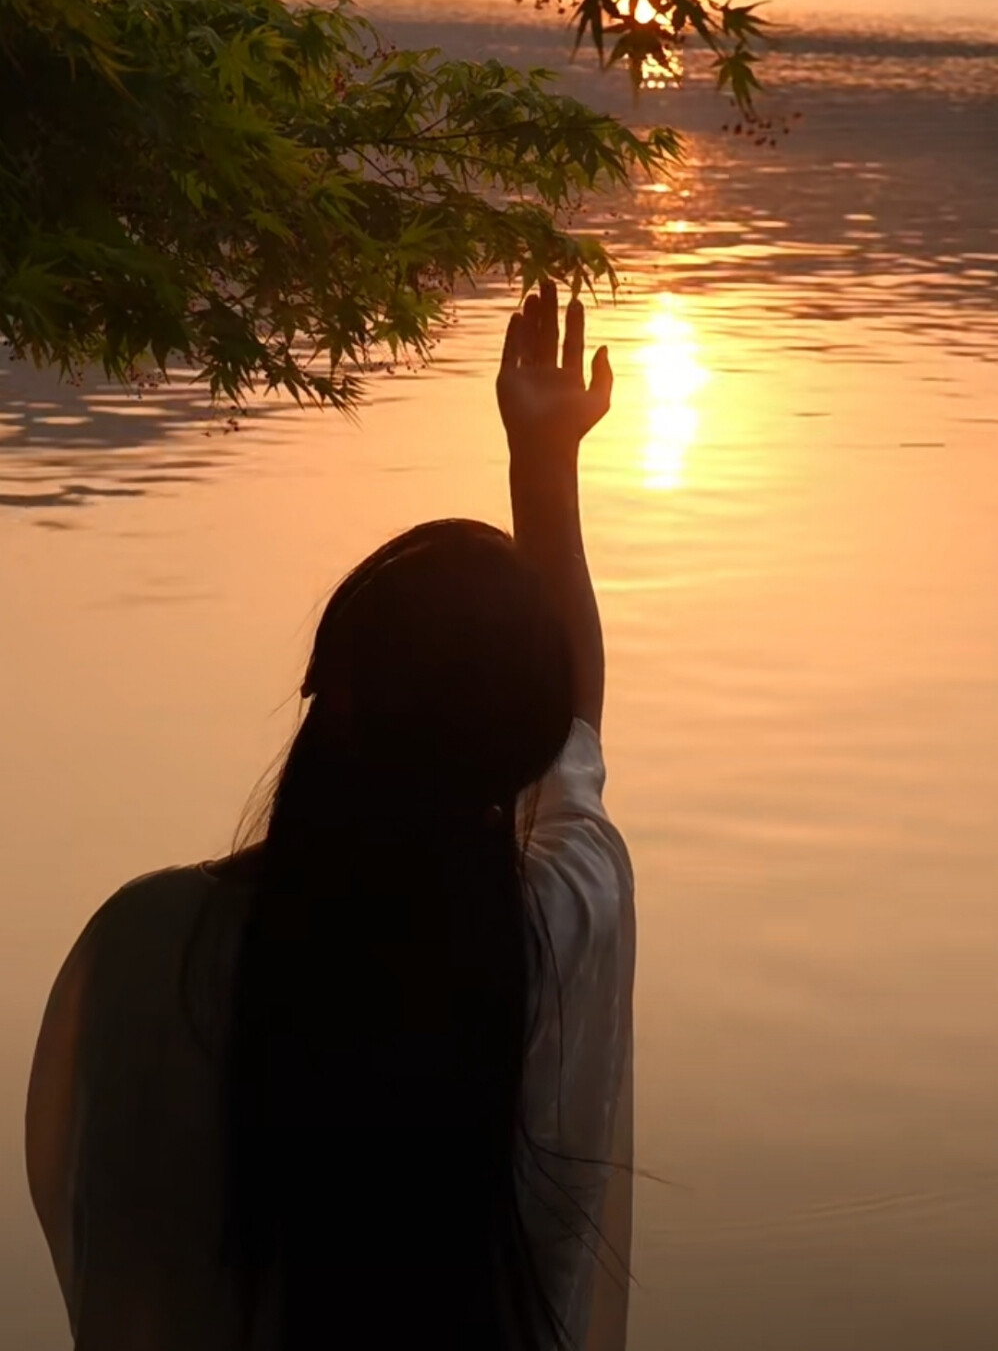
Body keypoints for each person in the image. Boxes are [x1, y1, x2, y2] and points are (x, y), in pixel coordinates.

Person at [25, 283, 636, 1351]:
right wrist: (543, 466)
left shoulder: (151, 946)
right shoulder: (550, 936)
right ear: (520, 747)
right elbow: (575, 733)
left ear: (327, 686)